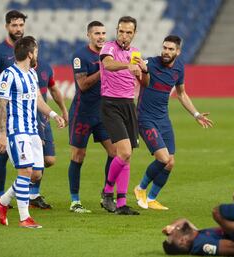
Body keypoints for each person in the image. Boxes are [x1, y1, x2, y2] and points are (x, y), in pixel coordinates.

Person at [133, 35, 213, 210]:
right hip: (145, 118)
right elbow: (135, 71)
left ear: (178, 51)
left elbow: (182, 94)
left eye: (170, 49)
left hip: (163, 119)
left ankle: (152, 198)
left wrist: (196, 114)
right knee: (162, 158)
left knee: (171, 162)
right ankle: (140, 188)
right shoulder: (151, 63)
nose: (166, 52)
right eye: (164, 48)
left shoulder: (179, 68)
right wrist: (137, 69)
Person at [0, 36, 65, 228]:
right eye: (37, 52)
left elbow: (38, 101)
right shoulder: (8, 75)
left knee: (35, 175)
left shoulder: (32, 74)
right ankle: (25, 218)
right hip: (16, 131)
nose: (37, 56)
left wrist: (53, 114)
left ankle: (3, 201)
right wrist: (2, 133)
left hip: (33, 131)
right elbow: (2, 105)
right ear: (30, 53)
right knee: (25, 171)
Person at [68, 21, 116, 213]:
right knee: (79, 156)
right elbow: (83, 85)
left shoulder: (109, 53)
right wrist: (102, 70)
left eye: (103, 33)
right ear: (89, 35)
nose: (101, 36)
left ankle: (107, 194)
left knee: (115, 152)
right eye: (97, 33)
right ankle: (75, 201)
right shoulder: (80, 56)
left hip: (102, 112)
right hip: (83, 113)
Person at [99, 16, 143, 215]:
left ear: (134, 34)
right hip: (111, 104)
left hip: (128, 105)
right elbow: (108, 65)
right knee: (123, 152)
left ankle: (122, 203)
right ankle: (107, 192)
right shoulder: (108, 48)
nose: (124, 36)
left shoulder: (135, 53)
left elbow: (145, 82)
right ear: (116, 31)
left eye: (128, 32)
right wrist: (128, 65)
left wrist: (145, 69)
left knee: (127, 156)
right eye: (121, 31)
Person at [0, 10, 27, 206]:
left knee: (29, 153)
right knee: (2, 153)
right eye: (14, 25)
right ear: (7, 26)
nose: (18, 29)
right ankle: (0, 195)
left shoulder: (27, 48)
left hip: (24, 111)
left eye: (20, 25)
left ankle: (30, 194)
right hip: (6, 111)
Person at [29, 59, 68, 209]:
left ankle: (29, 188)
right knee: (31, 164)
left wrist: (63, 110)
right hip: (29, 119)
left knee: (49, 160)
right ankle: (31, 195)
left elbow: (54, 89)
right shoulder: (20, 71)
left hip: (44, 118)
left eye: (36, 51)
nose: (34, 54)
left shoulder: (45, 67)